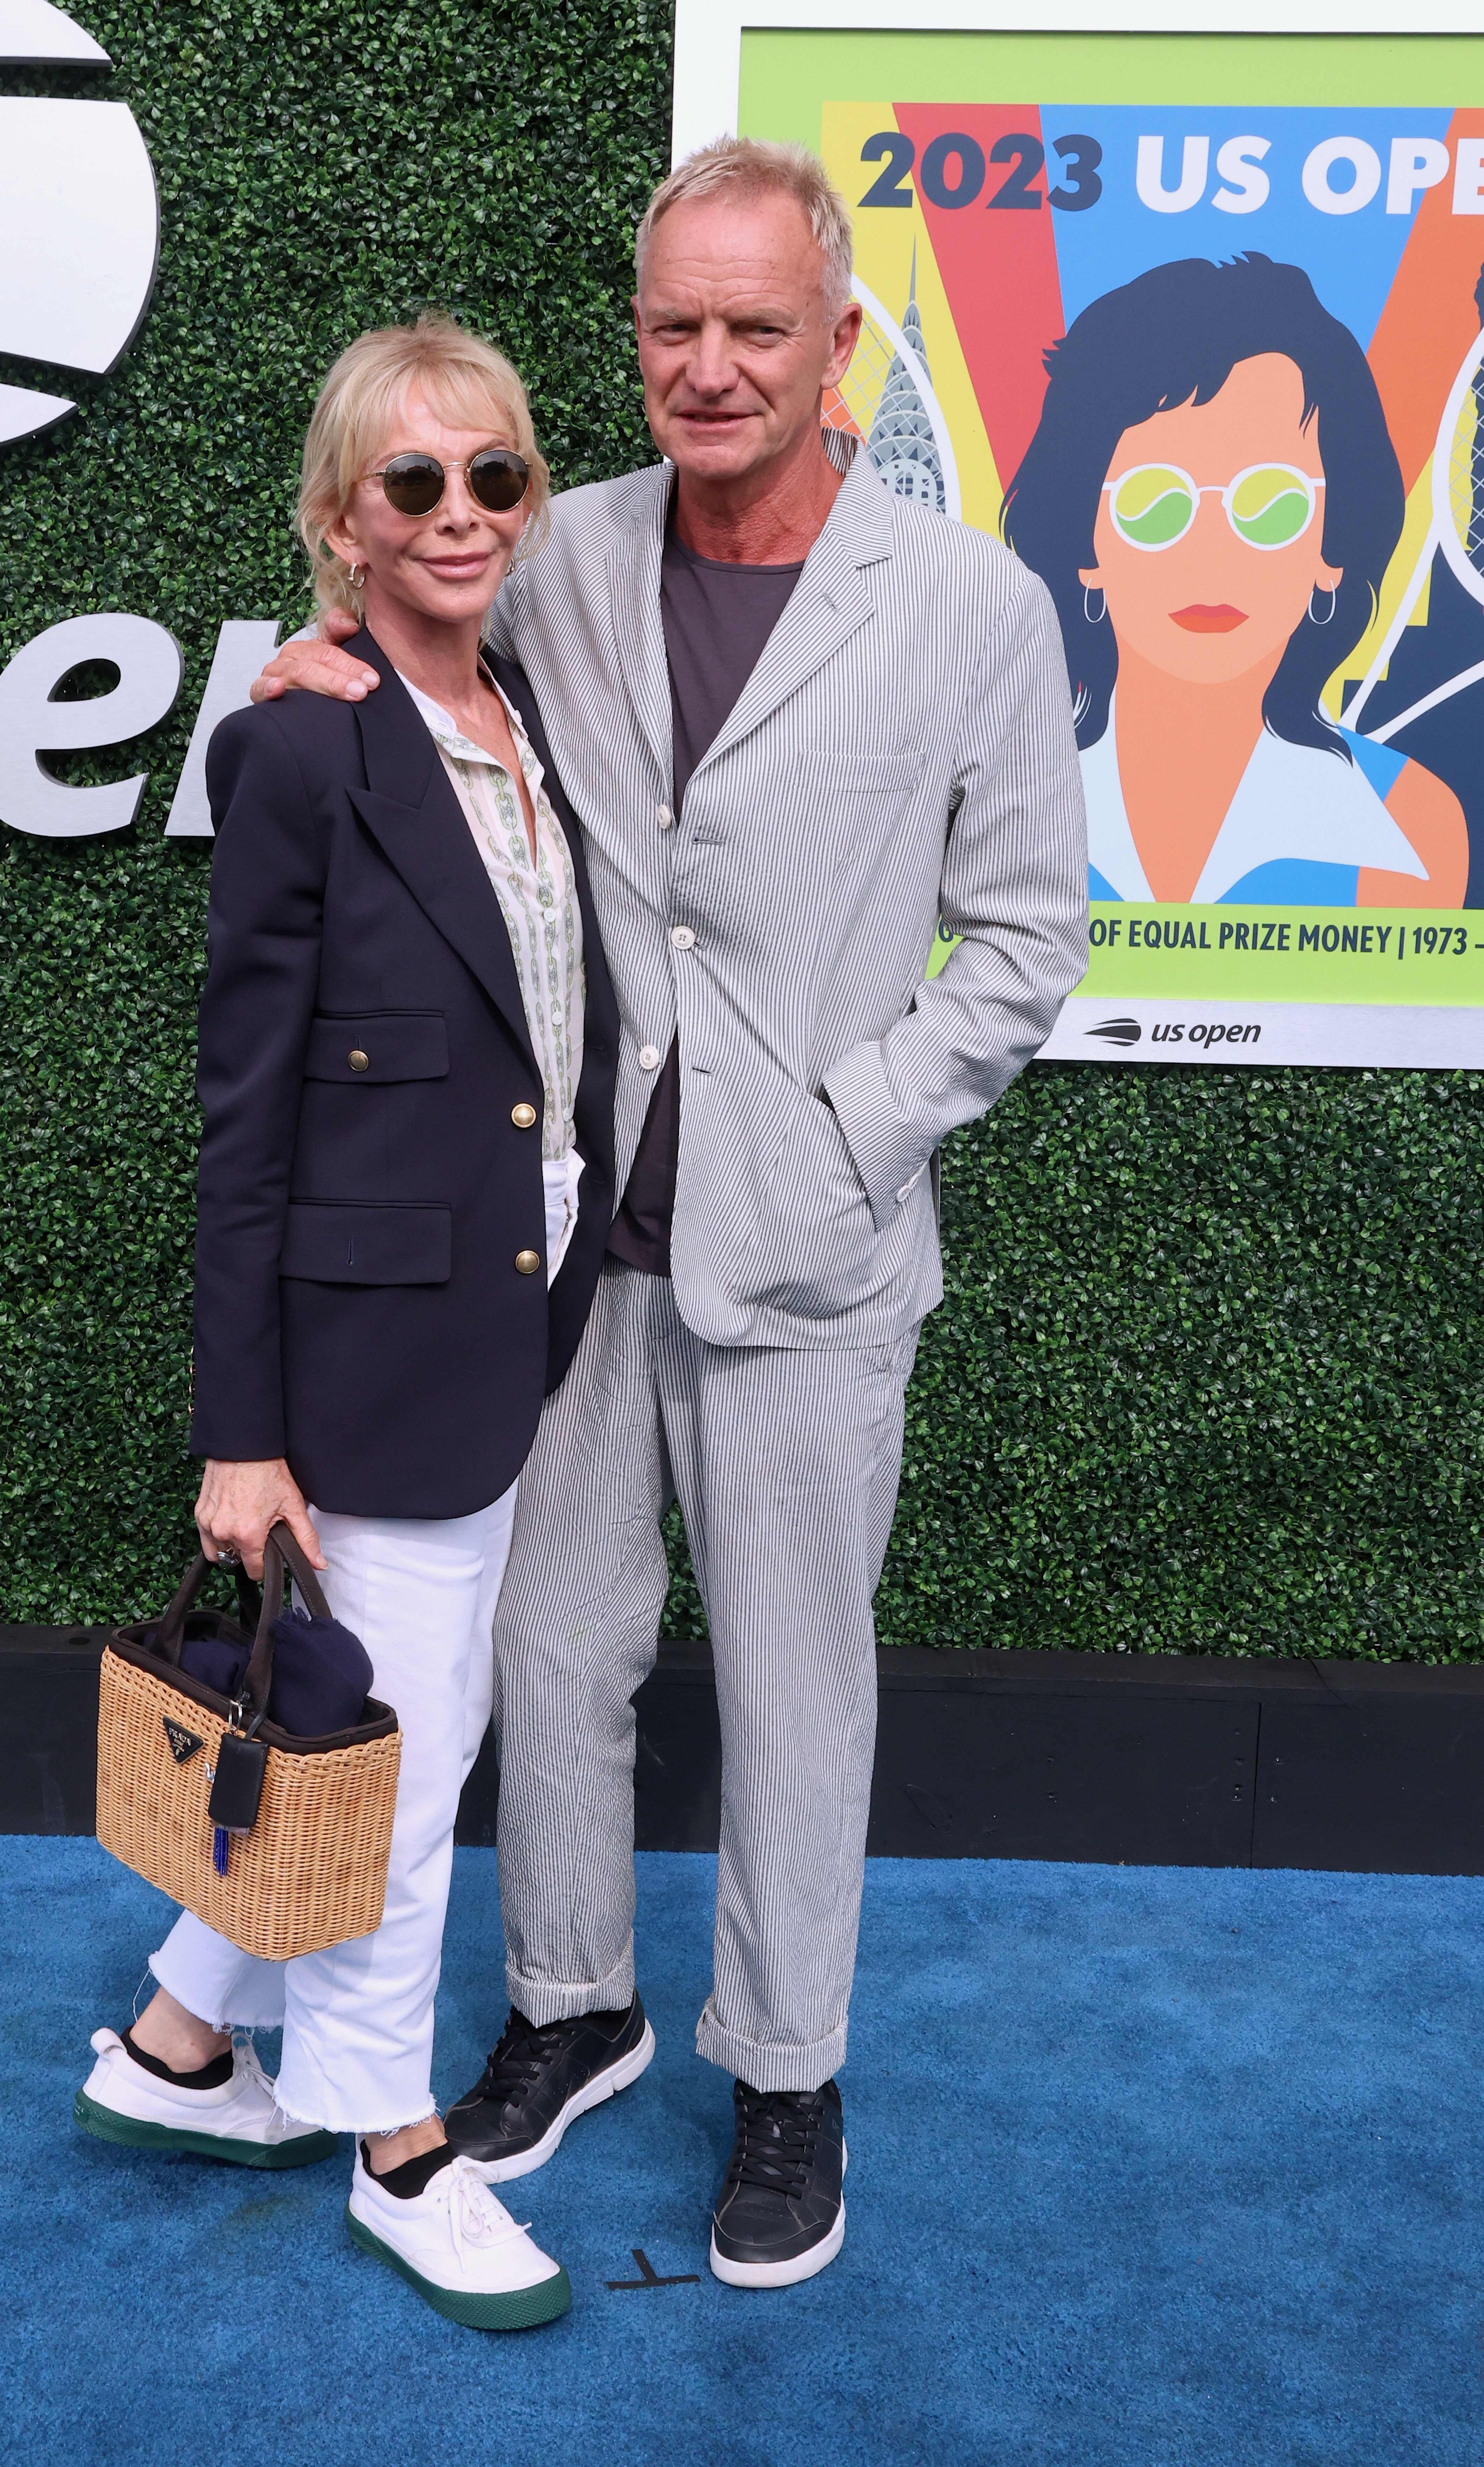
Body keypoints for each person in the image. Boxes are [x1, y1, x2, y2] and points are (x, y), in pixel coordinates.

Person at [254, 136, 1088, 2288]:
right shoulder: (552, 549)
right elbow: (408, 634)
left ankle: (787, 2072)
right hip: (563, 1243)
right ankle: (572, 2001)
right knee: (549, 1645)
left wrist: (846, 1127)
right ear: (634, 342)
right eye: (671, 326)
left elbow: (1019, 942)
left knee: (799, 1682)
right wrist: (303, 659)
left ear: (836, 347)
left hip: (807, 1248)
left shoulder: (969, 606)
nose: (708, 366)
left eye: (753, 327)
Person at [75, 310, 619, 2332]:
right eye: (415, 482)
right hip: (370, 1337)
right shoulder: (299, 736)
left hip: (512, 1295)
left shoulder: (526, 712)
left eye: (494, 474)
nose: (462, 510)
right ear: (340, 521)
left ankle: (177, 2041)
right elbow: (251, 1106)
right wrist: (242, 1430)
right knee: (400, 1742)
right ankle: (394, 2141)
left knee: (353, 1727)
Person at [1004, 252, 1467, 907]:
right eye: (1156, 503)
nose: (1211, 555)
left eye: (1271, 505)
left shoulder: (1411, 827)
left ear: (1331, 553)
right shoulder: (994, 802)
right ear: (1086, 545)